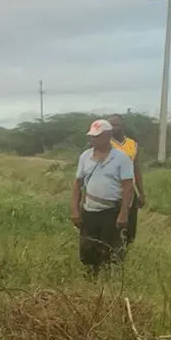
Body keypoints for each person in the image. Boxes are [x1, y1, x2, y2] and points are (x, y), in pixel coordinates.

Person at [71, 119, 134, 273]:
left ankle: (108, 283)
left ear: (108, 135)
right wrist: (74, 210)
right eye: (92, 136)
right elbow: (77, 185)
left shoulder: (121, 158)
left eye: (97, 136)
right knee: (87, 251)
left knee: (109, 251)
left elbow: (128, 187)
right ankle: (91, 280)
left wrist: (124, 213)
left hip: (111, 212)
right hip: (89, 210)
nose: (93, 139)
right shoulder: (85, 157)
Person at [107, 113, 146, 247]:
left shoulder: (132, 144)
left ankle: (125, 255)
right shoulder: (106, 144)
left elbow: (136, 168)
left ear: (123, 126)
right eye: (110, 125)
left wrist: (141, 192)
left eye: (115, 124)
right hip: (111, 192)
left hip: (129, 191)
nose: (112, 128)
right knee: (111, 227)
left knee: (129, 228)